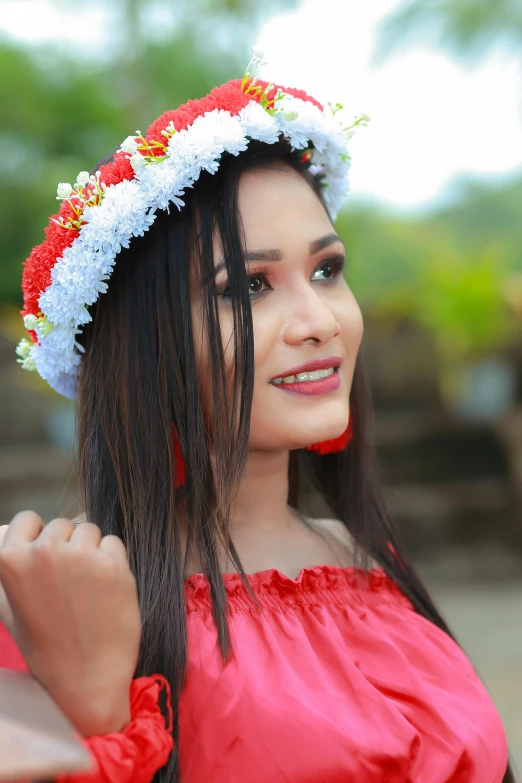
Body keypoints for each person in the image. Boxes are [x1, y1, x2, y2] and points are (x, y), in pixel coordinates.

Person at [0, 51, 516, 783]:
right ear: (147, 346)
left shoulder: (368, 560)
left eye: (327, 270)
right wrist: (93, 716)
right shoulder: (62, 602)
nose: (319, 321)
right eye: (248, 285)